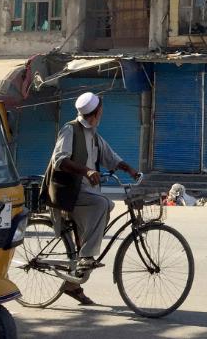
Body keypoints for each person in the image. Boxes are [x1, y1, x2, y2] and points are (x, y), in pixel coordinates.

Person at [41, 92, 139, 305]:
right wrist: (86, 171)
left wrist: (129, 169)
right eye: (102, 109)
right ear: (97, 112)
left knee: (106, 206)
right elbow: (60, 160)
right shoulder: (70, 130)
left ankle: (73, 283)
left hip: (84, 192)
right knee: (102, 203)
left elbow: (109, 156)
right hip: (68, 191)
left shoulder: (93, 133)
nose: (102, 112)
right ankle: (85, 256)